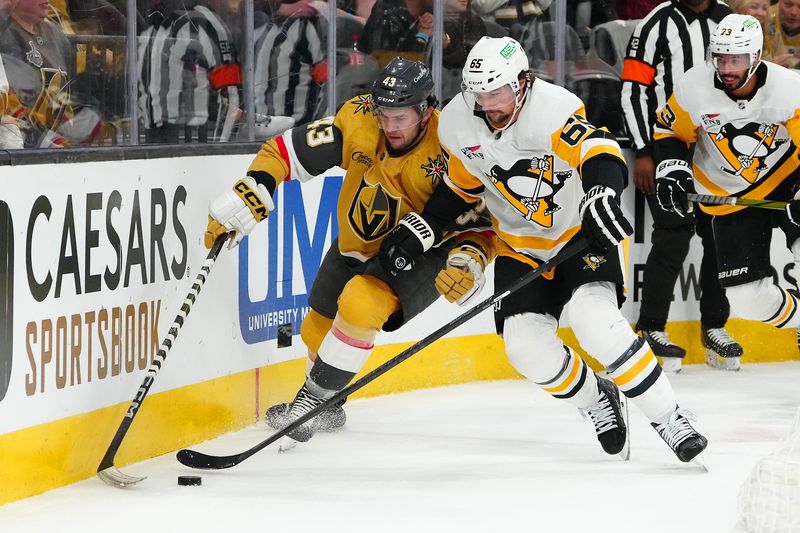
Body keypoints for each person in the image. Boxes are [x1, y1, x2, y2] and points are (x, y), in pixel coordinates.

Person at [380, 36, 708, 463]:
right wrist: (427, 224)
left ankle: (670, 416)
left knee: (596, 321)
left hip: (577, 234)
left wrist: (602, 195)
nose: (487, 102)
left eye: (496, 91)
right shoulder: (458, 122)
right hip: (520, 246)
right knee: (524, 347)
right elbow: (462, 185)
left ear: (522, 82)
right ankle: (597, 400)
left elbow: (600, 150)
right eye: (478, 92)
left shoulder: (554, 108)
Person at [204, 57, 494, 446]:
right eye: (383, 114)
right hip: (357, 243)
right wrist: (254, 190)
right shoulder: (358, 119)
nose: (389, 127)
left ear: (425, 111)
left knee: (360, 303)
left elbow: (486, 221)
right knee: (316, 331)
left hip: (426, 252)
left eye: (400, 118)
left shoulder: (455, 146)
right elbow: (285, 153)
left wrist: (471, 258)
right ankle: (329, 404)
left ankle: (312, 403)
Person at [654, 14, 800, 368]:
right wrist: (672, 170)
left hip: (787, 178)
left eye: (735, 59)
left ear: (756, 57)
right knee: (746, 298)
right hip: (728, 194)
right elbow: (668, 130)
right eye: (720, 58)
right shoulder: (694, 87)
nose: (726, 67)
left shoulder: (788, 88)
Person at [621, 0, 741, 373]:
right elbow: (634, 91)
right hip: (667, 143)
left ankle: (714, 326)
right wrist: (643, 151)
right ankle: (652, 328)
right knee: (673, 234)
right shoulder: (655, 24)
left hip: (716, 149)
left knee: (719, 235)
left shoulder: (729, 20)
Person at [138, 0, 242, 143]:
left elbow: (230, 95)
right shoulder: (152, 23)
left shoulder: (208, 25)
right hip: (151, 139)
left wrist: (221, 148)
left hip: (195, 142)